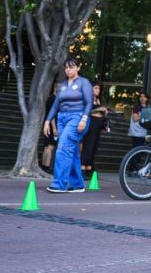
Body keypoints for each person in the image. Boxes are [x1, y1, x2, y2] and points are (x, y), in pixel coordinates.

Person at [43, 58, 93, 193]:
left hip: (77, 117)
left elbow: (89, 102)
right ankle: (77, 184)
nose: (68, 70)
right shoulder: (62, 85)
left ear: (78, 68)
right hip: (61, 119)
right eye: (66, 68)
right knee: (72, 151)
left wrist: (84, 118)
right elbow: (55, 105)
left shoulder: (84, 82)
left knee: (63, 149)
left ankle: (59, 183)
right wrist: (48, 121)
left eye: (71, 67)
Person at [80, 81, 108, 179]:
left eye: (98, 88)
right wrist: (99, 109)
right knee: (88, 146)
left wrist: (104, 112)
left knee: (94, 147)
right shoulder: (88, 98)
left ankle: (89, 169)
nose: (98, 90)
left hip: (97, 125)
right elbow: (87, 111)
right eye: (95, 88)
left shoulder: (98, 100)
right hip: (90, 124)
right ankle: (82, 169)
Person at [40, 85, 59, 175]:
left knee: (46, 146)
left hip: (47, 125)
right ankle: (47, 167)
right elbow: (52, 115)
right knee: (50, 147)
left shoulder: (49, 98)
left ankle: (44, 166)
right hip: (52, 126)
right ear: (55, 88)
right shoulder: (54, 99)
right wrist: (54, 128)